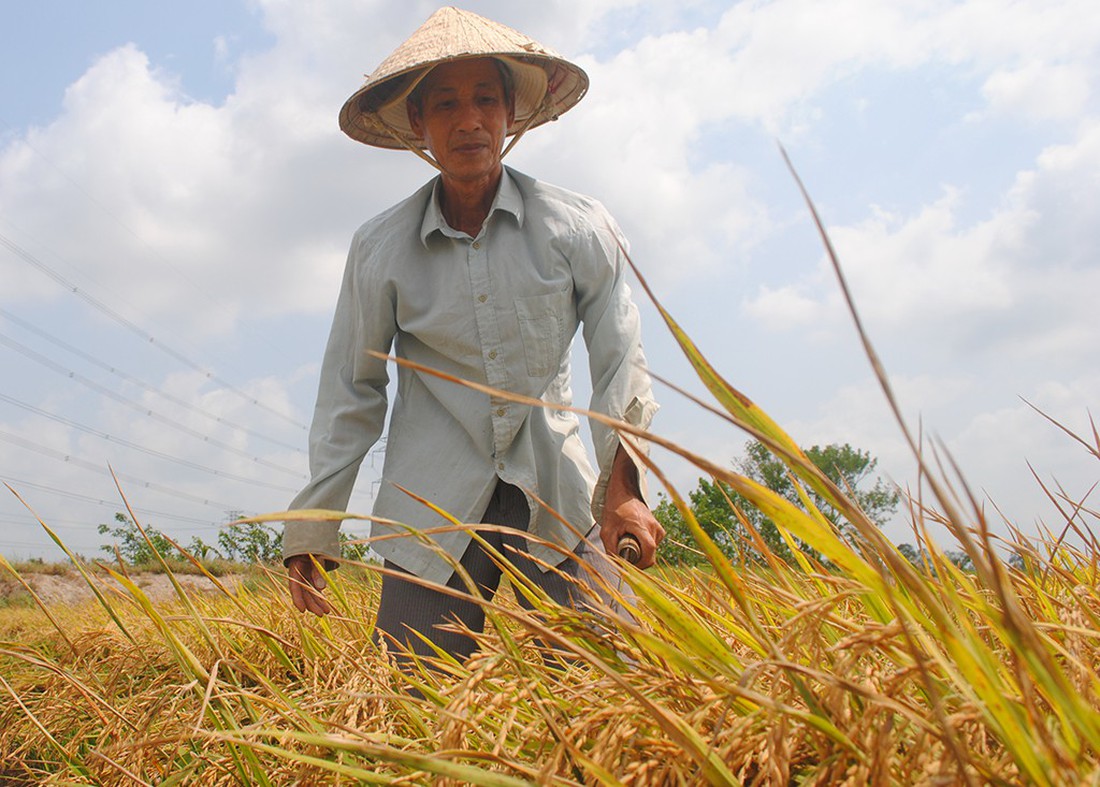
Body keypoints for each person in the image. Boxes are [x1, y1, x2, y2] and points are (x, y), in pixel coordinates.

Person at [283, 7, 663, 662]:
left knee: (614, 683)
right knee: (409, 706)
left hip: (556, 488)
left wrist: (624, 488)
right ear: (419, 126)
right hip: (430, 501)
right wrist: (316, 523)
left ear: (511, 114)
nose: (468, 120)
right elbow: (353, 390)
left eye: (485, 98)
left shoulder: (576, 228)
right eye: (446, 104)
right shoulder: (379, 249)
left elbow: (620, 358)